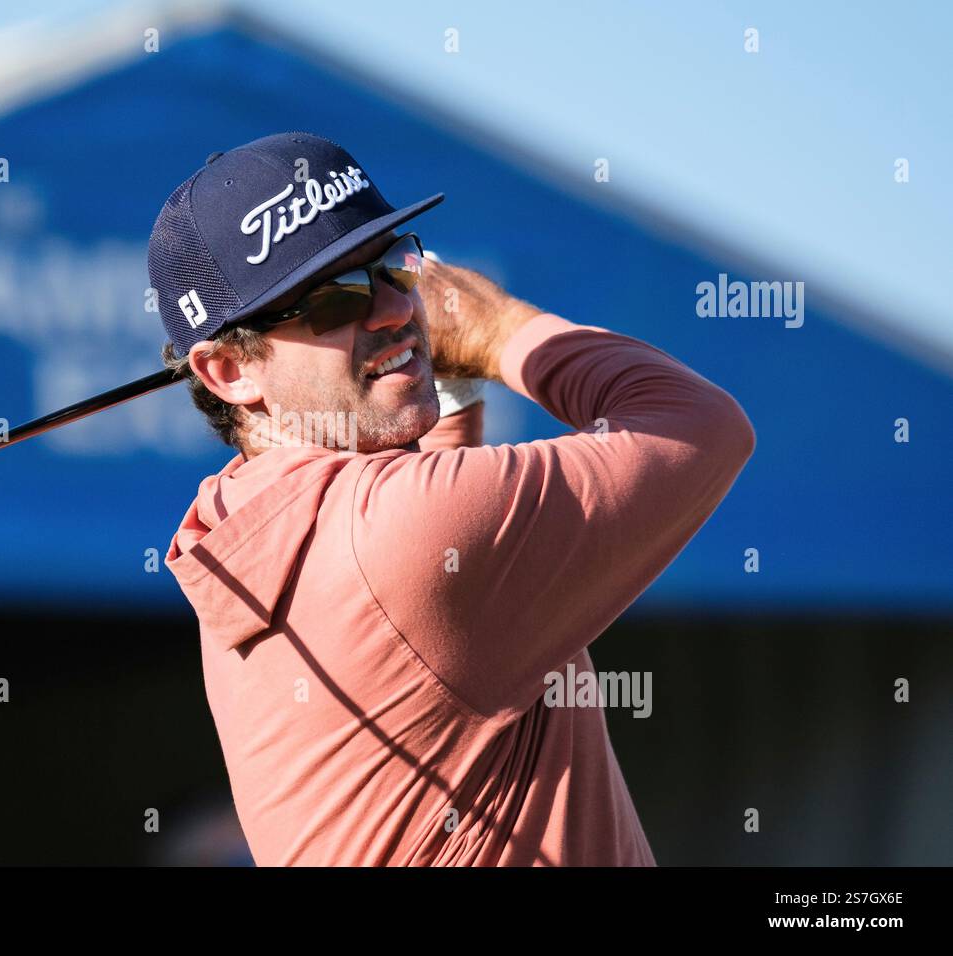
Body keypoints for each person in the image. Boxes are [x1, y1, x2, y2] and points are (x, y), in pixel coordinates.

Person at [148, 132, 755, 865]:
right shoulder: (398, 536)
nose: (391, 310)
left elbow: (434, 607)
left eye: (394, 266)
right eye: (333, 300)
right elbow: (703, 427)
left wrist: (441, 380)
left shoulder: (247, 528)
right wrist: (500, 332)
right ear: (227, 371)